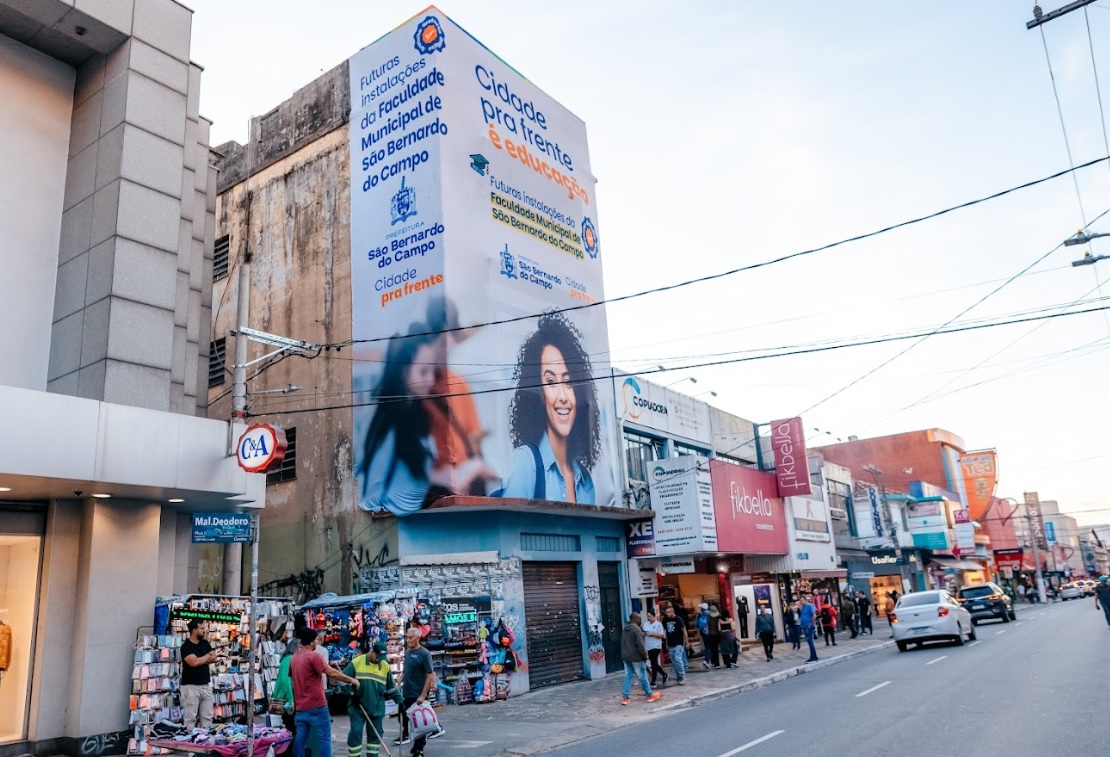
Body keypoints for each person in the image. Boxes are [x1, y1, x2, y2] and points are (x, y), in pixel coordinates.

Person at [358, 327, 494, 515]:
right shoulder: (395, 420)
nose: (430, 380)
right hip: (399, 519)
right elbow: (397, 481)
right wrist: (464, 471)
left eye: (431, 371)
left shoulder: (418, 414)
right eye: (423, 372)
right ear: (404, 373)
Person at [502, 311, 601, 504]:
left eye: (568, 382)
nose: (562, 397)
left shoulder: (585, 481)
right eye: (550, 382)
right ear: (538, 394)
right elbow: (508, 529)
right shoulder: (527, 463)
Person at [291, 627, 360, 757]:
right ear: (311, 642)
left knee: (300, 739)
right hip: (317, 705)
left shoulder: (294, 658)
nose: (318, 642)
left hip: (301, 706)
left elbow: (292, 678)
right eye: (316, 639)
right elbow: (331, 672)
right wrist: (351, 680)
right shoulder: (313, 656)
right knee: (324, 738)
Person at [345, 642, 403, 757]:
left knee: (375, 737)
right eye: (377, 657)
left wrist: (400, 701)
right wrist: (351, 693)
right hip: (358, 707)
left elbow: (391, 687)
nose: (379, 660)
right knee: (356, 732)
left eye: (381, 658)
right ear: (371, 652)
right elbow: (342, 680)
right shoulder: (357, 662)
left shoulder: (384, 665)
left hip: (377, 707)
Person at [396, 627, 440, 756]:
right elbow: (405, 670)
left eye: (410, 637)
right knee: (404, 718)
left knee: (419, 722)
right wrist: (398, 683)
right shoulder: (408, 652)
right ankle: (414, 742)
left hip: (417, 694)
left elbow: (430, 675)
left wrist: (423, 695)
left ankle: (419, 749)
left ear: (418, 638)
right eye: (407, 637)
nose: (407, 640)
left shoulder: (424, 653)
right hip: (406, 692)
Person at [181, 620, 216, 730]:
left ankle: (205, 742)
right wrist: (206, 656)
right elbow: (193, 663)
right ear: (194, 630)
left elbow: (214, 657)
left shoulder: (205, 643)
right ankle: (188, 743)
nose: (204, 630)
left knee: (207, 718)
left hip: (205, 685)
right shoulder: (186, 646)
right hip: (191, 686)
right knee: (190, 718)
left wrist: (200, 659)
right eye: (201, 628)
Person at [620, 612, 660, 704]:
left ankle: (625, 698)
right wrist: (645, 657)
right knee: (643, 676)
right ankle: (649, 695)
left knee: (628, 676)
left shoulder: (625, 629)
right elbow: (641, 645)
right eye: (639, 619)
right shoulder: (636, 629)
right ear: (637, 620)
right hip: (636, 657)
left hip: (626, 657)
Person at [271, 637, 300, 738]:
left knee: (291, 728)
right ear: (296, 648)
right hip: (287, 700)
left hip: (287, 699)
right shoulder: (289, 659)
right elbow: (285, 680)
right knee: (293, 728)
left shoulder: (287, 659)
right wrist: (291, 699)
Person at [662, 604, 688, 685]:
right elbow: (666, 633)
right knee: (673, 661)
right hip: (670, 643)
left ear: (672, 611)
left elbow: (684, 631)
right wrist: (666, 644)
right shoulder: (665, 620)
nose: (667, 614)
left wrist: (687, 642)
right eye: (666, 612)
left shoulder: (678, 619)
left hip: (679, 643)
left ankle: (682, 676)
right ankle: (679, 676)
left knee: (678, 659)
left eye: (668, 612)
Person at [642, 609, 668, 686]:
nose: (649, 618)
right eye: (648, 616)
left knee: (653, 663)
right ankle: (664, 674)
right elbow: (643, 632)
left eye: (650, 616)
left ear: (654, 616)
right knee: (654, 663)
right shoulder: (646, 624)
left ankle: (653, 681)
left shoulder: (658, 624)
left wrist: (652, 634)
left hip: (656, 645)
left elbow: (662, 635)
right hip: (648, 646)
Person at [800, 594, 819, 663]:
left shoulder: (809, 606)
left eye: (802, 600)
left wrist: (810, 624)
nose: (801, 602)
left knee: (810, 641)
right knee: (809, 641)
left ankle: (813, 656)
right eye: (800, 601)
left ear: (805, 600)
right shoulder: (803, 607)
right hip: (805, 626)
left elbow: (814, 615)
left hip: (809, 626)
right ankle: (814, 656)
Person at [704, 604, 723, 669]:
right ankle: (726, 662)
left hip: (711, 635)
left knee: (714, 650)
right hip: (719, 634)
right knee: (722, 648)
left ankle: (716, 664)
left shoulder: (709, 617)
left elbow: (707, 626)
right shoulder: (719, 616)